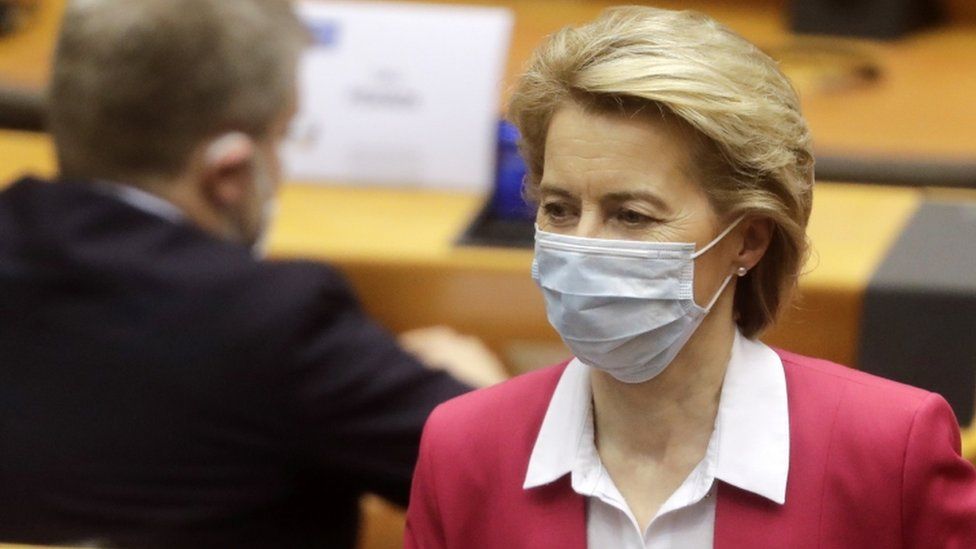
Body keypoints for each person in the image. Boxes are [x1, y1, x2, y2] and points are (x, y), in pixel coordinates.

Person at [405, 6, 976, 548]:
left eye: (631, 216)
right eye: (559, 209)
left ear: (748, 239)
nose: (581, 244)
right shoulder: (464, 448)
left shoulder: (887, 449)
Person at [0, 0, 506, 547]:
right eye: (284, 136)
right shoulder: (271, 321)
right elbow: (505, 478)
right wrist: (483, 397)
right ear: (229, 170)